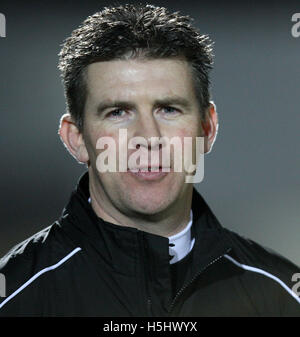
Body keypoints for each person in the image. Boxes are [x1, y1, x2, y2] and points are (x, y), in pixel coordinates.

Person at [0, 4, 299, 317]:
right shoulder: (15, 297)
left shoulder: (281, 296)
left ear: (207, 128)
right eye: (118, 112)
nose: (148, 135)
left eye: (168, 109)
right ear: (76, 139)